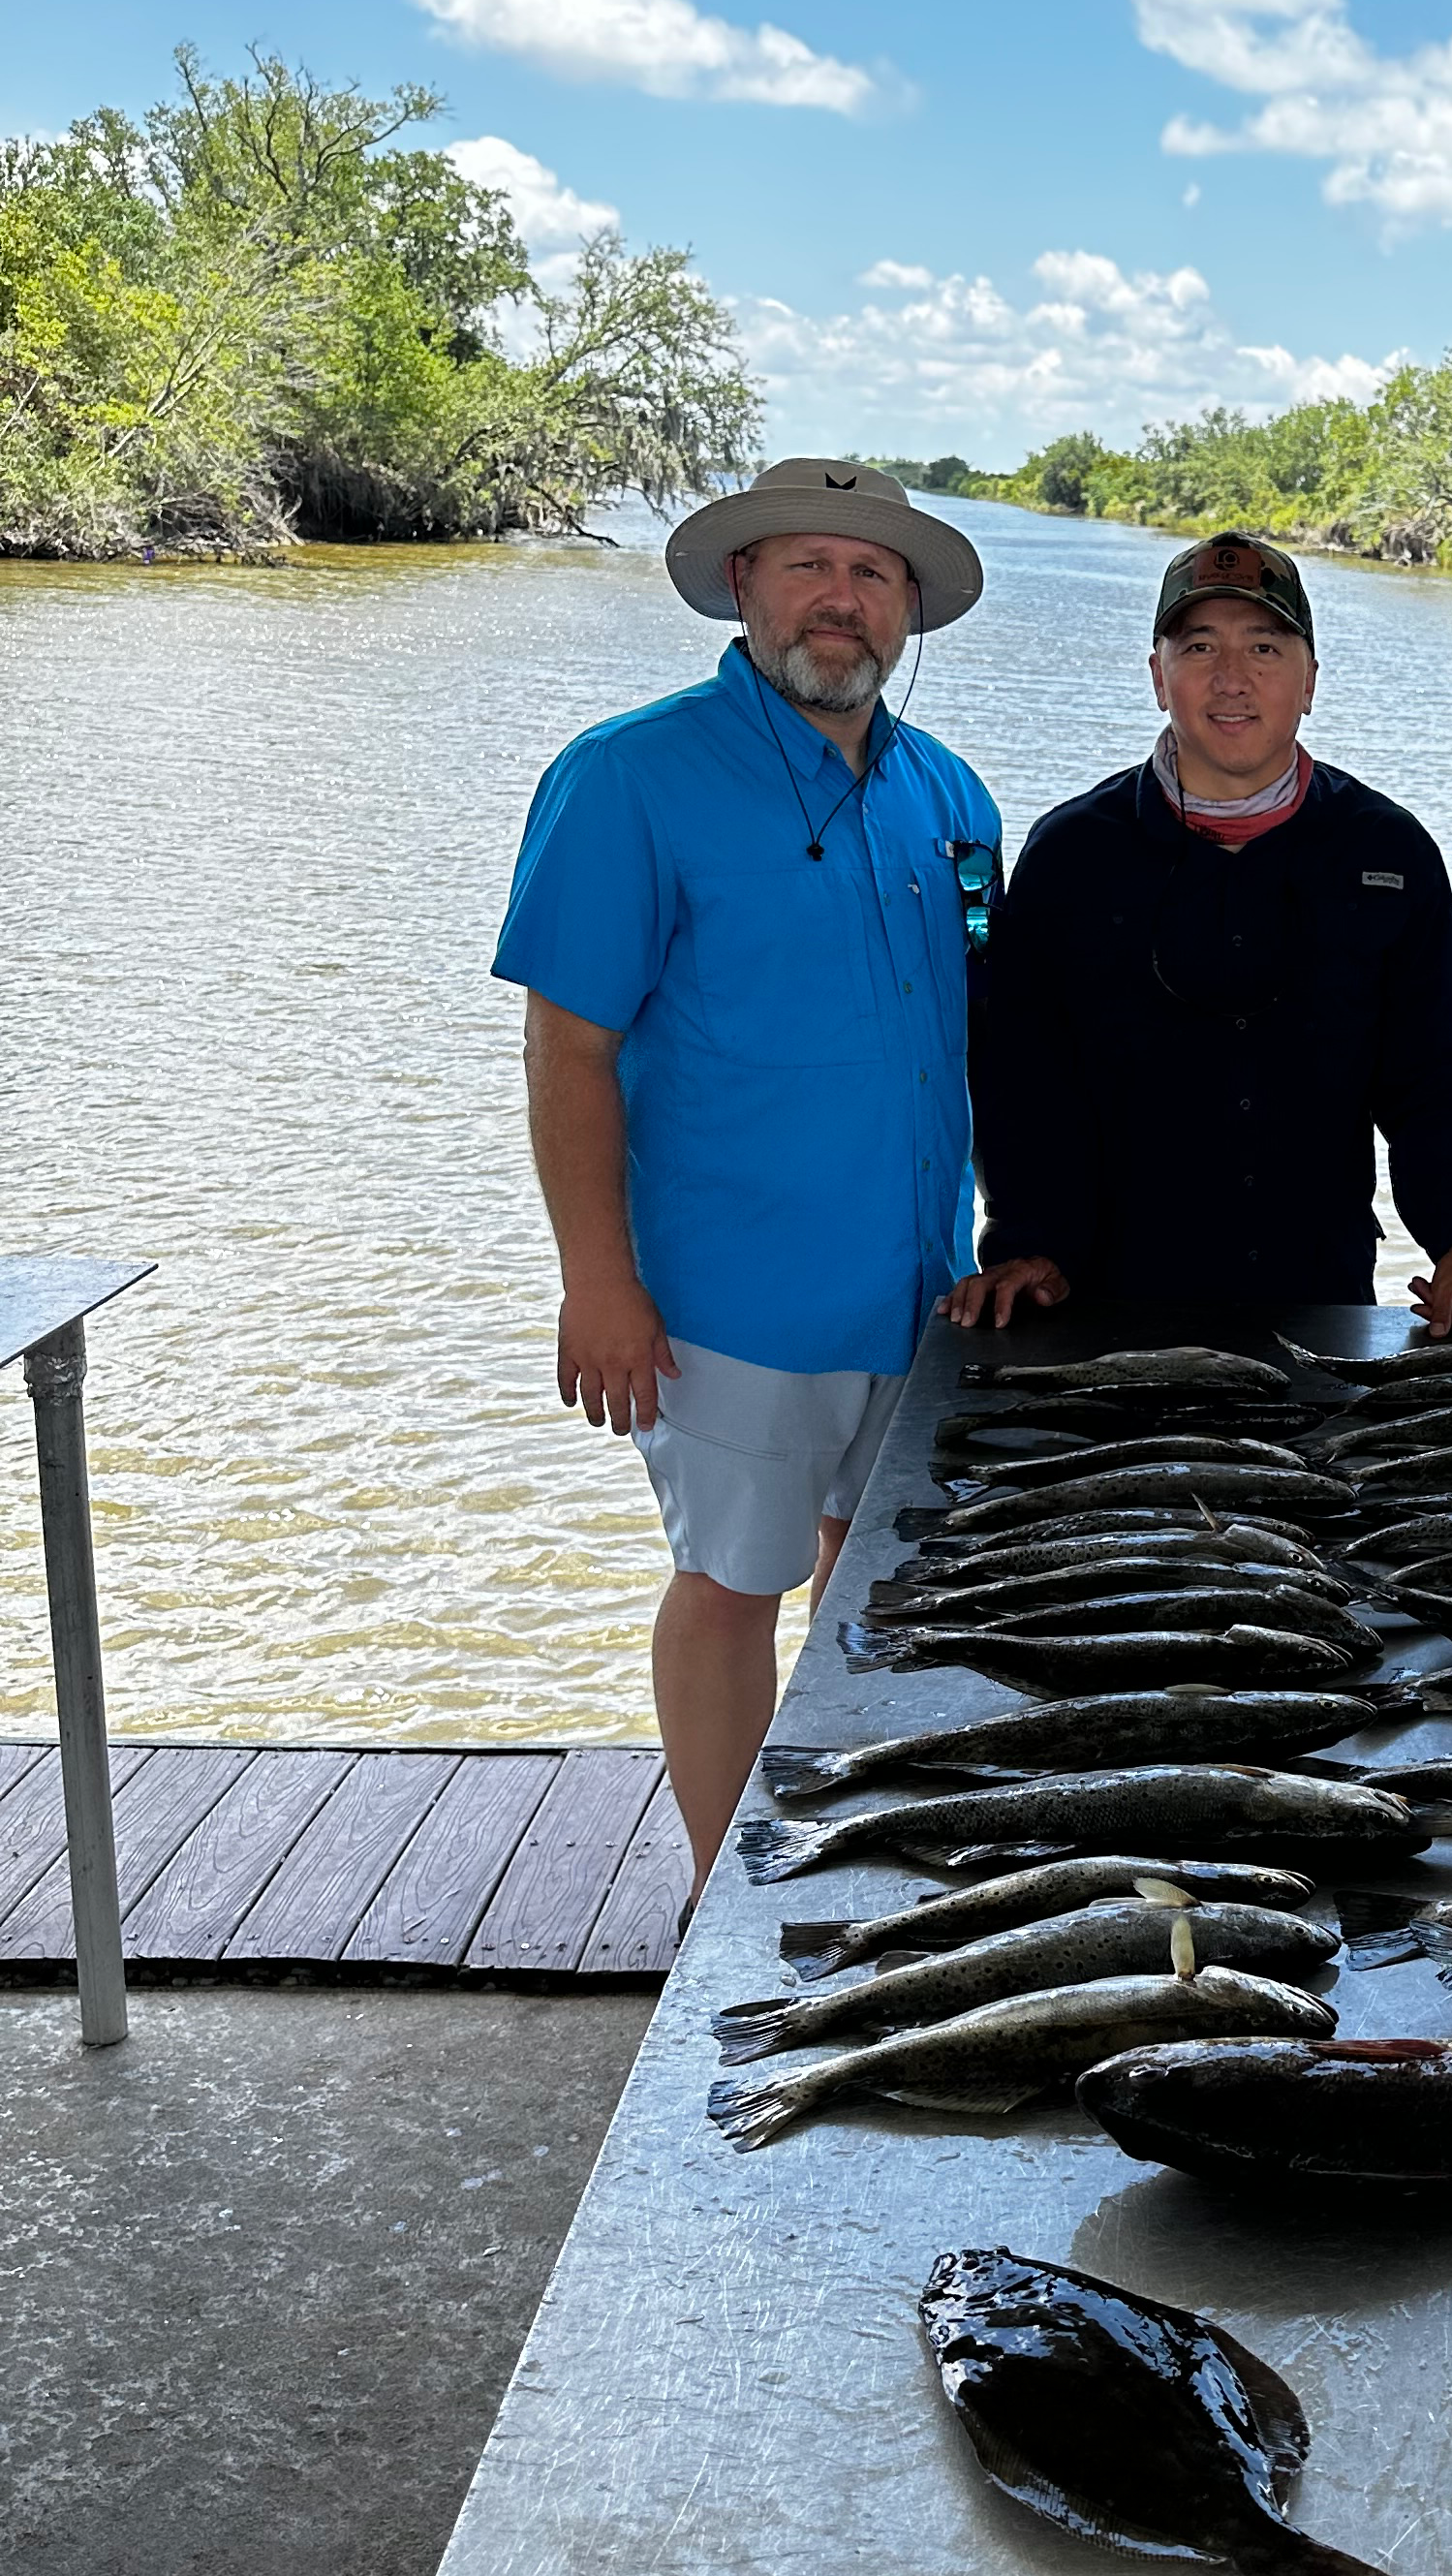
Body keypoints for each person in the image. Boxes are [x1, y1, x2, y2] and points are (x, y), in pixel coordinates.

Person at [495, 458, 1001, 1905]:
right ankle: (727, 1897)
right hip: (730, 1295)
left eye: (875, 575)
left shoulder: (952, 797)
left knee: (877, 1584)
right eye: (809, 567)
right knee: (732, 1587)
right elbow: (567, 1048)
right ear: (742, 586)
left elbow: (987, 1032)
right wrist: (597, 1280)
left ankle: (851, 1860)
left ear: (908, 609)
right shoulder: (627, 777)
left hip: (921, 1286)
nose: (840, 601)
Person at [957, 532, 1452, 1333]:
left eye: (1265, 646)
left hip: (1321, 1301)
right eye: (1200, 646)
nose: (1232, 678)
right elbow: (1022, 1085)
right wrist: (1028, 1241)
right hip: (1099, 1302)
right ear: (1157, 676)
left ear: (1311, 680)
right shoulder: (1070, 855)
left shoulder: (1386, 852)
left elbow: (1439, 1077)